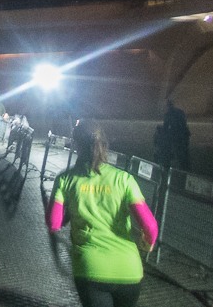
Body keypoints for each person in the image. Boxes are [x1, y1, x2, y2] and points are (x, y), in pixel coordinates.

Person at [47, 121, 158, 307]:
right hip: (129, 270)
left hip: (90, 269)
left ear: (77, 144)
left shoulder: (65, 179)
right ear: (105, 145)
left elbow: (53, 222)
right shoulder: (124, 179)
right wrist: (147, 245)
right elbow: (150, 226)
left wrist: (64, 218)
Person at [154, 99, 190, 171]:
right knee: (183, 154)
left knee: (177, 152)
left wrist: (161, 130)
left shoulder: (169, 114)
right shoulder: (180, 112)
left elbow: (166, 126)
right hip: (183, 135)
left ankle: (168, 167)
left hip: (176, 136)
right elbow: (183, 123)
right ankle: (186, 168)